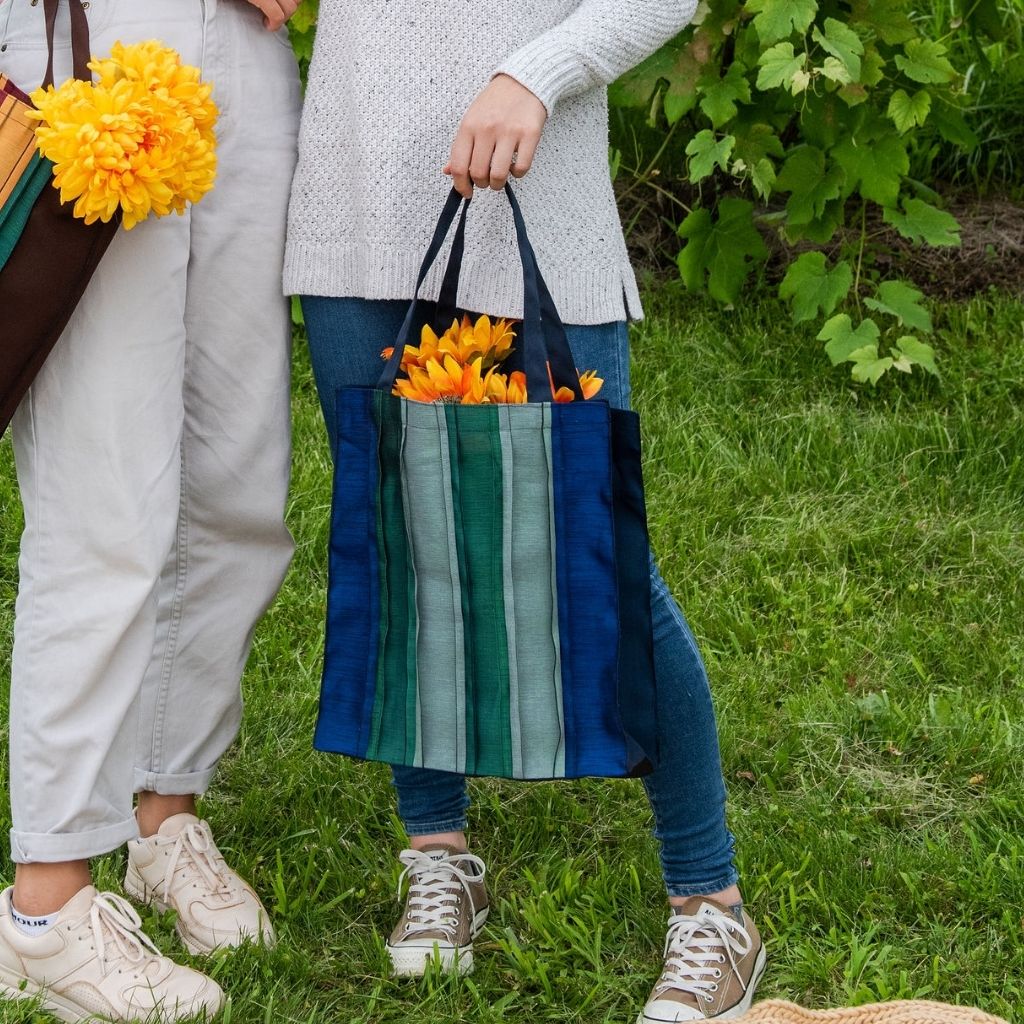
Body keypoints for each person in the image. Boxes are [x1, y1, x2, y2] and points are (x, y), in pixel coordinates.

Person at [287, 2, 766, 1020]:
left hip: (537, 206)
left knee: (597, 560)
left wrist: (536, 71)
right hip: (352, 206)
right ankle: (438, 850)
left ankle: (711, 898)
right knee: (407, 536)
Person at [0, 0, 302, 1020]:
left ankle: (163, 821)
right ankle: (48, 901)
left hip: (246, 63)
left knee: (237, 483)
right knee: (105, 495)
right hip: (80, 44)